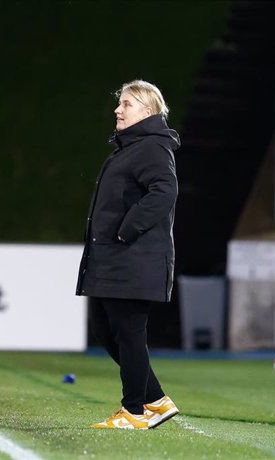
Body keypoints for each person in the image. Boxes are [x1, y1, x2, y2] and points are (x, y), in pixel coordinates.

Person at [76, 80, 180, 430]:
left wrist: (126, 228)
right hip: (117, 259)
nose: (118, 110)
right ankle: (156, 400)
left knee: (129, 334)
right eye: (119, 103)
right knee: (107, 332)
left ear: (148, 111)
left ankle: (134, 410)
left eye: (126, 104)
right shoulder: (132, 147)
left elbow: (165, 190)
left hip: (135, 258)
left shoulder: (152, 147)